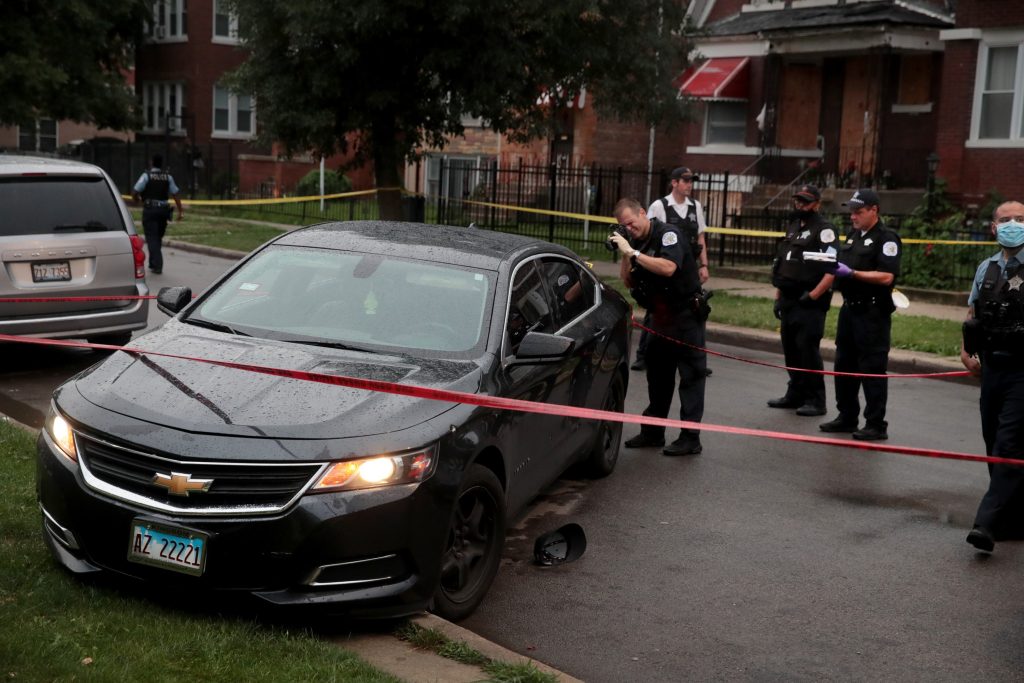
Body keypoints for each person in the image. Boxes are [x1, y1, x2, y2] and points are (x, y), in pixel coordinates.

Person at [609, 198, 707, 456]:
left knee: (691, 378)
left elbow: (668, 268)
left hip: (685, 316)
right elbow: (628, 282)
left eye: (631, 223)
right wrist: (625, 251)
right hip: (659, 318)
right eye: (624, 227)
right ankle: (653, 432)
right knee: (658, 378)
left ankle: (690, 438)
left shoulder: (668, 235)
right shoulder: (637, 243)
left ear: (643, 213)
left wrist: (633, 252)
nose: (629, 229)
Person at [960, 200, 1024, 553]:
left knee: (1009, 443)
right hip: (992, 368)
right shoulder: (986, 267)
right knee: (992, 441)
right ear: (994, 227)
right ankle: (1014, 518)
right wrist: (965, 349)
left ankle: (986, 522)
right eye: (1005, 219)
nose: (1013, 224)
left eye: (1020, 219)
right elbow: (973, 311)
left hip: (1022, 369)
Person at [819, 188, 902, 441]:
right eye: (852, 212)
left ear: (874, 210)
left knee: (872, 367)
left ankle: (876, 423)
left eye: (859, 212)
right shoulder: (853, 236)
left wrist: (853, 274)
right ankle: (847, 416)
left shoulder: (886, 238)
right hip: (850, 309)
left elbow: (887, 275)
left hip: (872, 311)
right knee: (844, 364)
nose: (853, 217)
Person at [632, 166, 710, 371]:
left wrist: (704, 265)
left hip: (688, 268)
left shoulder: (695, 206)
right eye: (685, 180)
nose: (689, 185)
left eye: (691, 181)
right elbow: (647, 234)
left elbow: (701, 236)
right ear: (674, 182)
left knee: (694, 308)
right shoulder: (660, 206)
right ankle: (643, 354)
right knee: (656, 310)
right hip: (664, 265)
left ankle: (694, 356)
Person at [767, 184, 836, 416]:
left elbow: (831, 269)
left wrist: (814, 295)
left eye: (805, 202)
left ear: (816, 204)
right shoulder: (794, 226)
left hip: (809, 300)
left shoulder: (824, 230)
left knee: (808, 351)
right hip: (788, 297)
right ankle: (795, 393)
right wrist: (778, 297)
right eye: (798, 200)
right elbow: (785, 265)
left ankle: (816, 400)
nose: (800, 205)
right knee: (791, 350)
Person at [132, 154, 184, 275]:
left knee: (152, 238)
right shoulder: (168, 177)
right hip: (163, 211)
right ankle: (153, 262)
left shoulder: (146, 176)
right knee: (157, 237)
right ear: (161, 164)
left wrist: (138, 200)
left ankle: (158, 265)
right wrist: (181, 211)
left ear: (151, 163)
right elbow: (175, 193)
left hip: (150, 210)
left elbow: (135, 191)